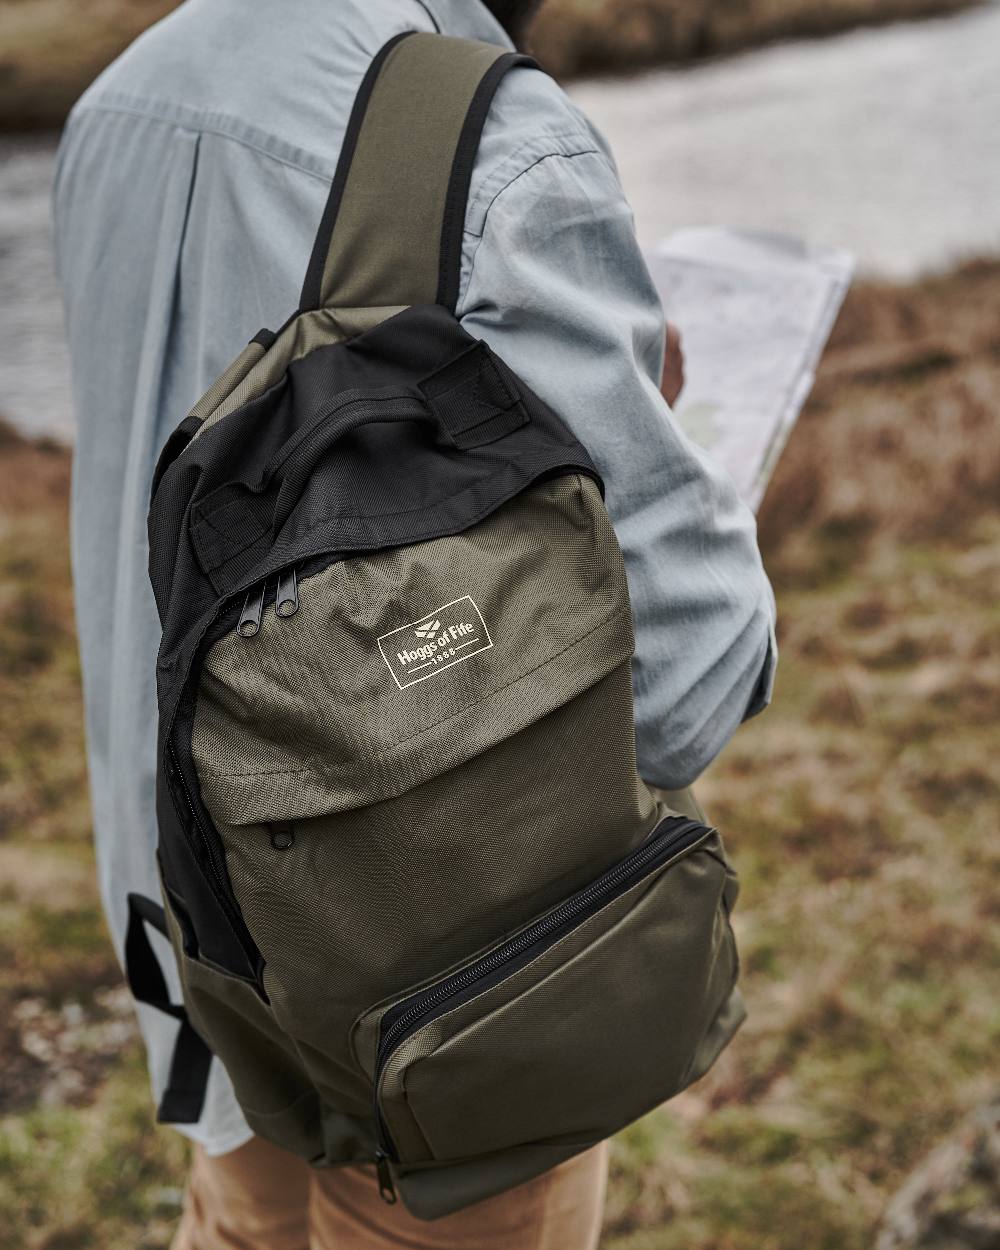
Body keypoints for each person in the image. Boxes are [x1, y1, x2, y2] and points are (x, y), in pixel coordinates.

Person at [53, 0, 777, 1245]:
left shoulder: (114, 104)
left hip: (193, 938)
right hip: (449, 991)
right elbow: (688, 681)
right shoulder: (493, 134)